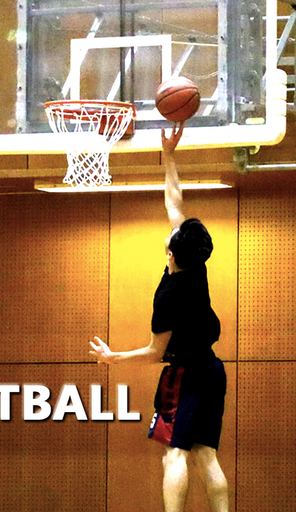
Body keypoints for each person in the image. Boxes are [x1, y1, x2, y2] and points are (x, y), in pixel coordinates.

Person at [89, 122, 229, 512]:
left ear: (170, 253)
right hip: (213, 370)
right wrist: (169, 157)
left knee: (175, 455)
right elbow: (175, 202)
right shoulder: (196, 264)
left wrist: (115, 358)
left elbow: (155, 352)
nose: (172, 230)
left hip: (185, 374)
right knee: (206, 455)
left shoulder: (168, 296)